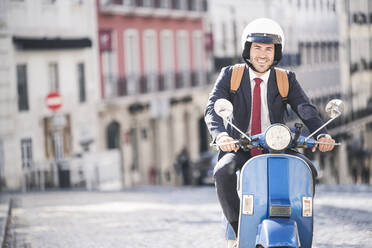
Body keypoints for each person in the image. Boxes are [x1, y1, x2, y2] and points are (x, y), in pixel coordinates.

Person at [204, 18, 335, 244]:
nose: (262, 55)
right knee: (222, 171)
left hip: (277, 144)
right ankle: (237, 229)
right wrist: (222, 135)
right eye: (257, 48)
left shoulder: (286, 78)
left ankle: (295, 217)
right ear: (248, 50)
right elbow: (212, 107)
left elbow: (305, 108)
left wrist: (321, 133)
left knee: (309, 171)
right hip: (240, 144)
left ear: (276, 52)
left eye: (268, 49)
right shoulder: (230, 75)